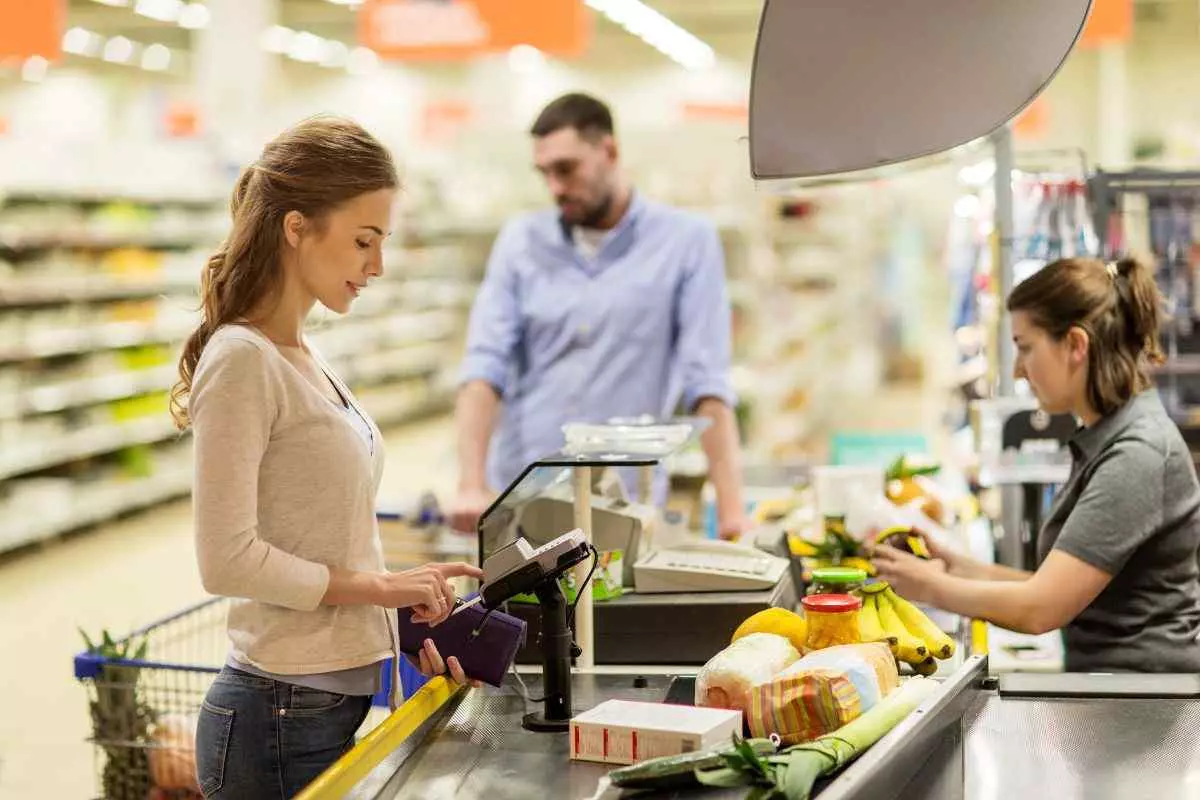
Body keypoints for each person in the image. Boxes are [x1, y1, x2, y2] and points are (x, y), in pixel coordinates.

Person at [174, 116, 482, 799]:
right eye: (363, 241)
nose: (377, 266)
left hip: (321, 706)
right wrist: (379, 588)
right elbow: (225, 559)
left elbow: (316, 532)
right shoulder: (242, 359)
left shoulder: (306, 354)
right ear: (296, 228)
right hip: (275, 714)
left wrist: (403, 589)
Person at [875, 256, 1200, 673]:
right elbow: (1051, 587)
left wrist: (930, 587)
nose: (1018, 369)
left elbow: (1041, 609)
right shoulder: (1113, 436)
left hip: (1145, 701)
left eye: (1025, 347)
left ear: (1076, 346)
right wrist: (960, 567)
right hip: (1120, 688)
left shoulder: (1138, 453)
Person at [449, 92, 748, 538]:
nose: (555, 187)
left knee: (614, 609)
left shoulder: (687, 242)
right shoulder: (520, 241)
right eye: (544, 173)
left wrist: (731, 515)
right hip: (521, 495)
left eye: (566, 169)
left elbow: (707, 385)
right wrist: (470, 484)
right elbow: (483, 367)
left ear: (609, 151)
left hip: (625, 504)